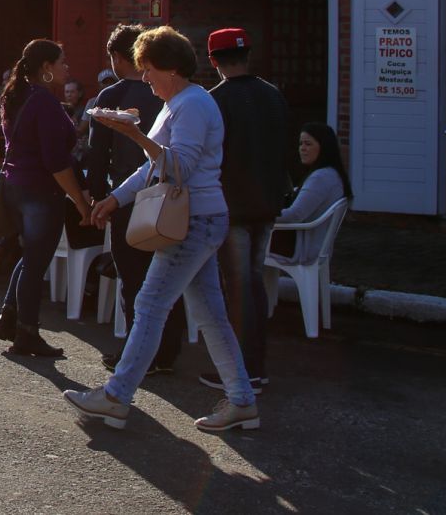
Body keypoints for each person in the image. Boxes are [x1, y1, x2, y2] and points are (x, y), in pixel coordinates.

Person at [68, 26, 260, 433]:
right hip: (200, 218)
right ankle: (242, 400)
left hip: (194, 220)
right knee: (209, 314)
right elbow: (154, 167)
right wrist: (115, 198)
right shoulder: (181, 102)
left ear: (170, 68)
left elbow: (179, 167)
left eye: (149, 69)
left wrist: (134, 134)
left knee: (150, 304)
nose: (145, 77)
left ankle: (116, 396)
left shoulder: (191, 104)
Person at [85, 23, 181, 376]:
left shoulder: (110, 96)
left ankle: (137, 352)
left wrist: (99, 196)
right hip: (169, 194)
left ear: (117, 57)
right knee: (167, 275)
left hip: (127, 196)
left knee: (133, 277)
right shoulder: (171, 94)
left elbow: (97, 153)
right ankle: (167, 351)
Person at [203, 26, 291, 396]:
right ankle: (257, 366)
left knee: (237, 287)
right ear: (248, 55)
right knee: (253, 282)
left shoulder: (214, 101)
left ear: (213, 61)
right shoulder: (273, 94)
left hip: (233, 205)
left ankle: (244, 370)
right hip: (267, 203)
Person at [0, 39, 93, 358]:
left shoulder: (16, 96)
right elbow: (55, 161)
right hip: (39, 189)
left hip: (16, 185)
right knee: (36, 263)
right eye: (62, 62)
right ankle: (27, 333)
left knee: (31, 257)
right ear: (46, 67)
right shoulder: (44, 102)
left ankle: (10, 317)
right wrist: (80, 202)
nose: (67, 67)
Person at [270, 123, 351, 263]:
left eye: (308, 144)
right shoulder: (332, 174)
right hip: (315, 245)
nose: (302, 148)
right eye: (301, 143)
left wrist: (262, 215)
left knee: (246, 236)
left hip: (302, 249)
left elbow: (295, 214)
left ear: (324, 147)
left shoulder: (320, 177)